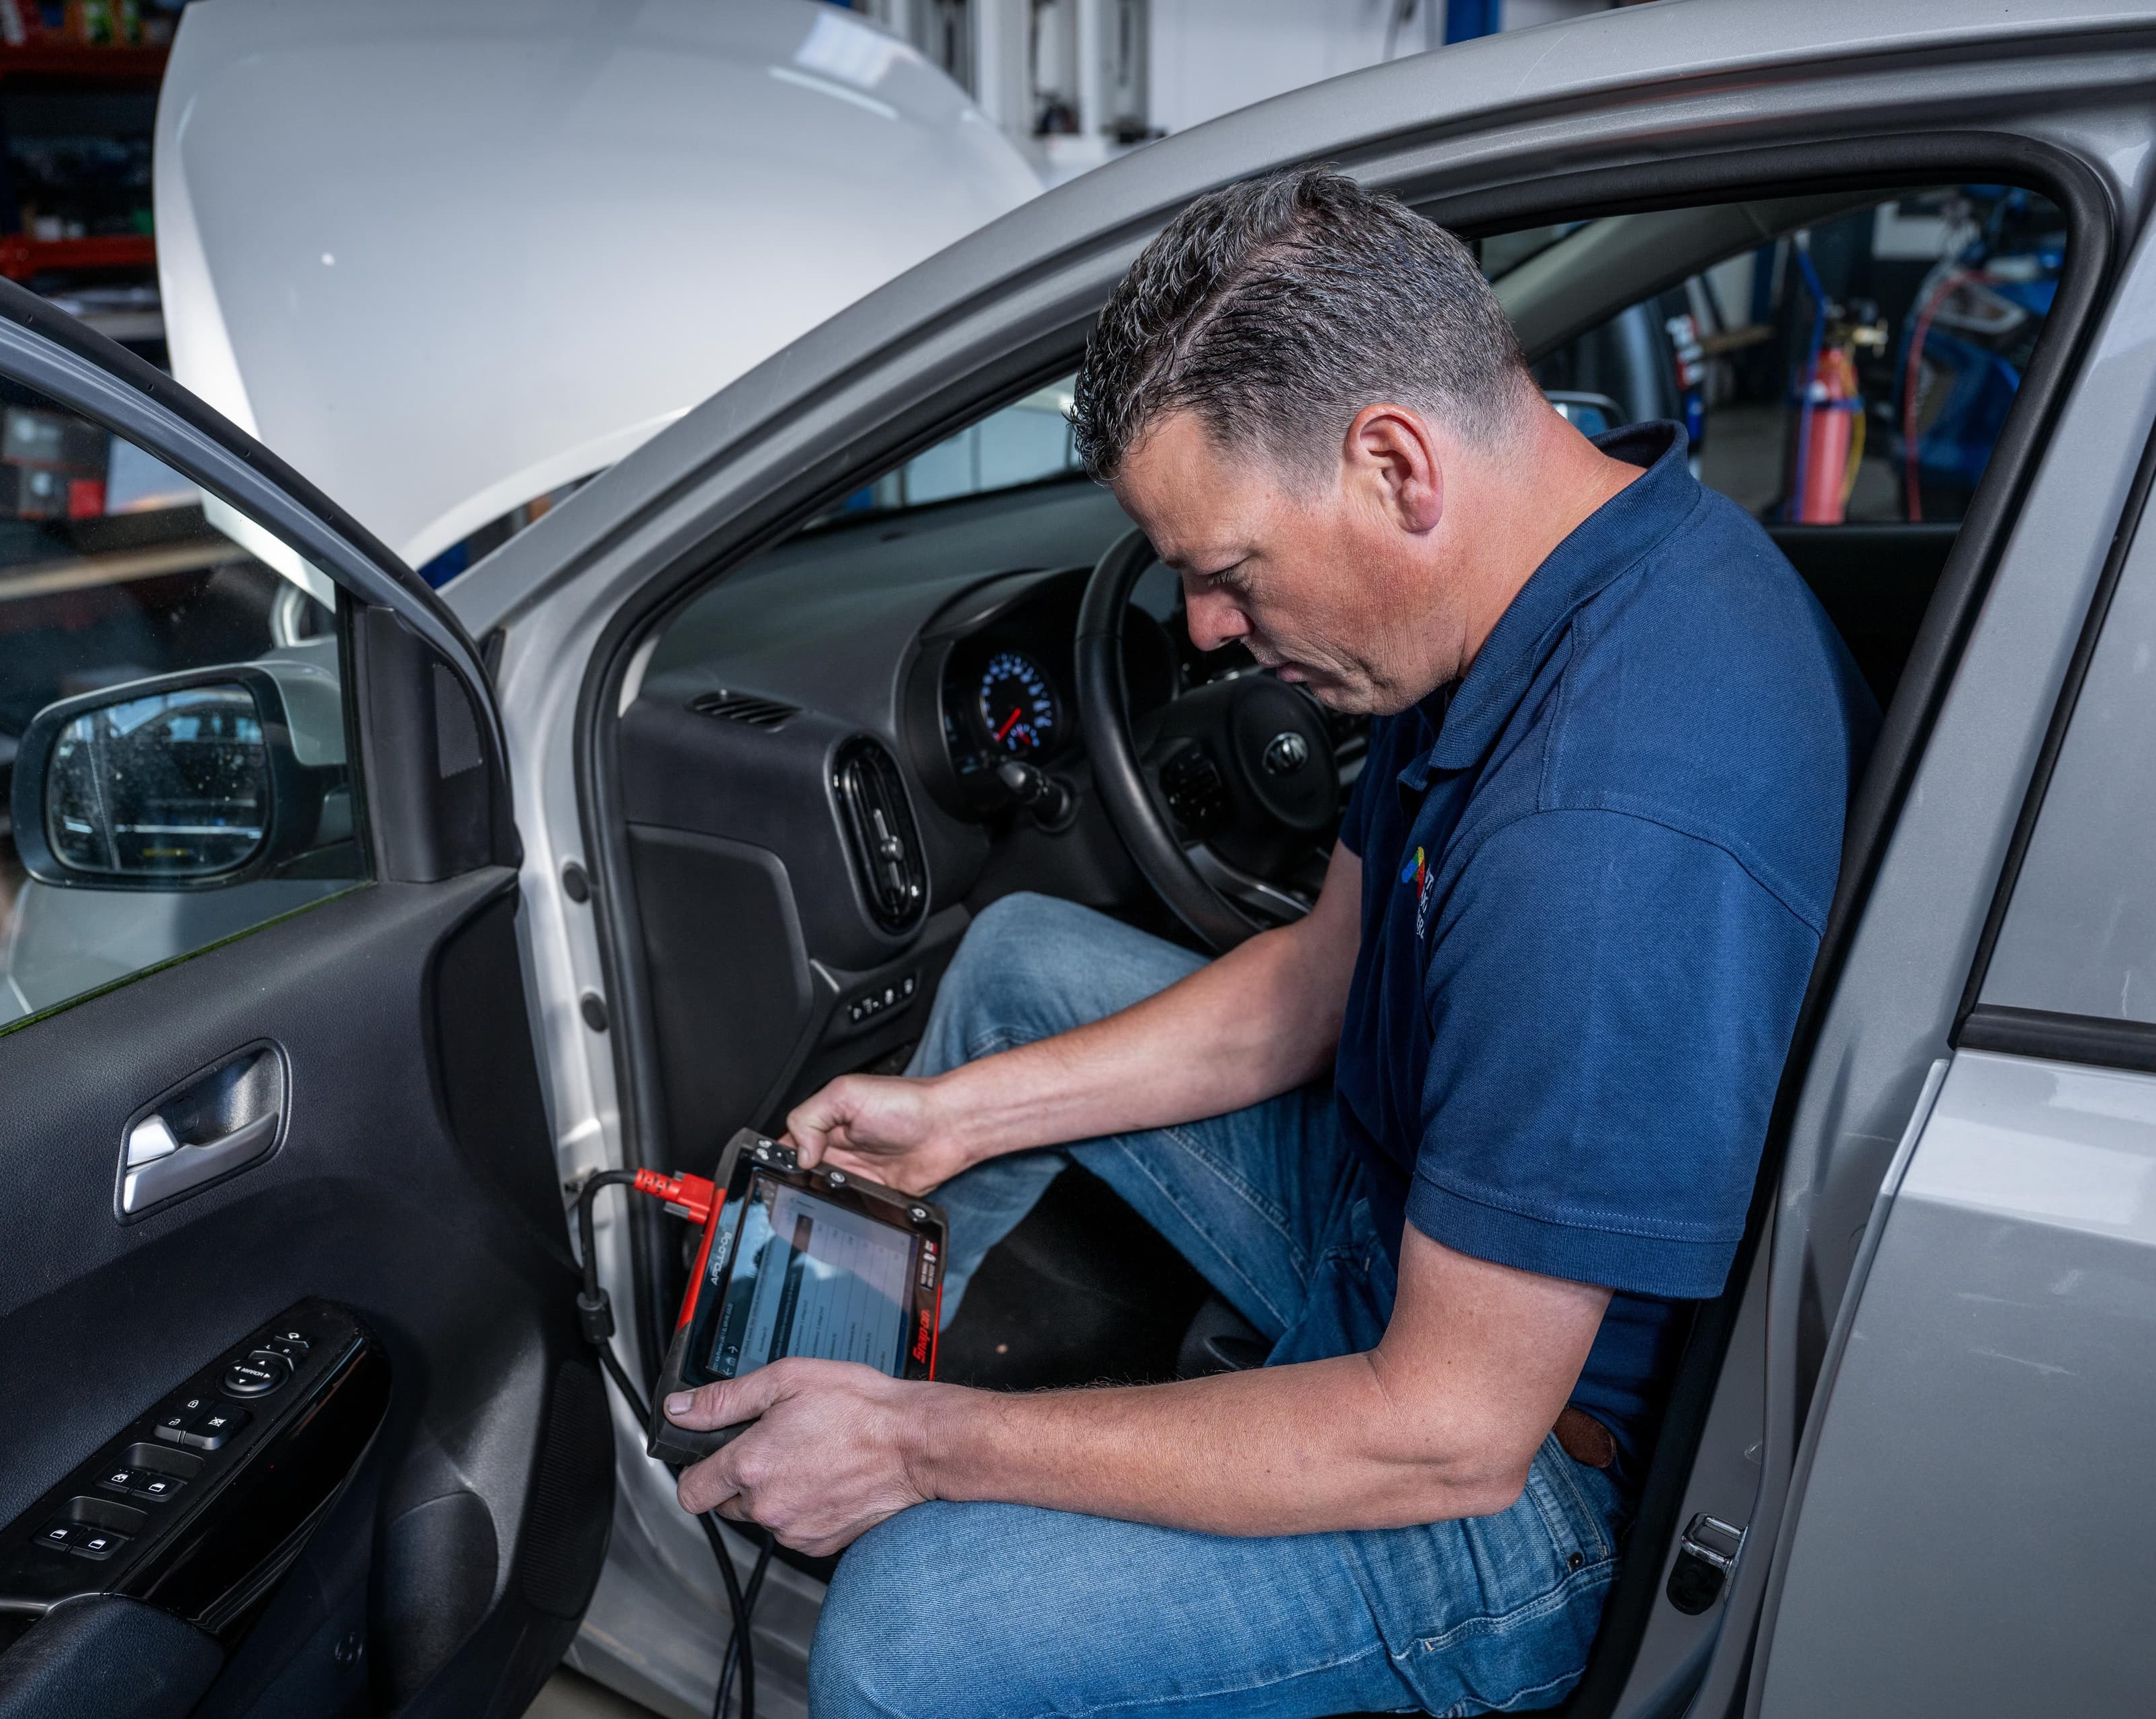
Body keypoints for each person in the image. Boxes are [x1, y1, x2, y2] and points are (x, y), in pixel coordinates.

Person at [661, 167, 1877, 1717]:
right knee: (1020, 961)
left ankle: (871, 1434)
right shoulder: (1518, 587)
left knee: (905, 1634)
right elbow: (1316, 980)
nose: (1204, 627)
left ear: (1394, 465)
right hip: (1408, 1205)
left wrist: (928, 1451)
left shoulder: (1603, 833)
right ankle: (852, 1380)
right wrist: (955, 1117)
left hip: (1528, 1463)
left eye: (1228, 571)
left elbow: (1442, 1433)